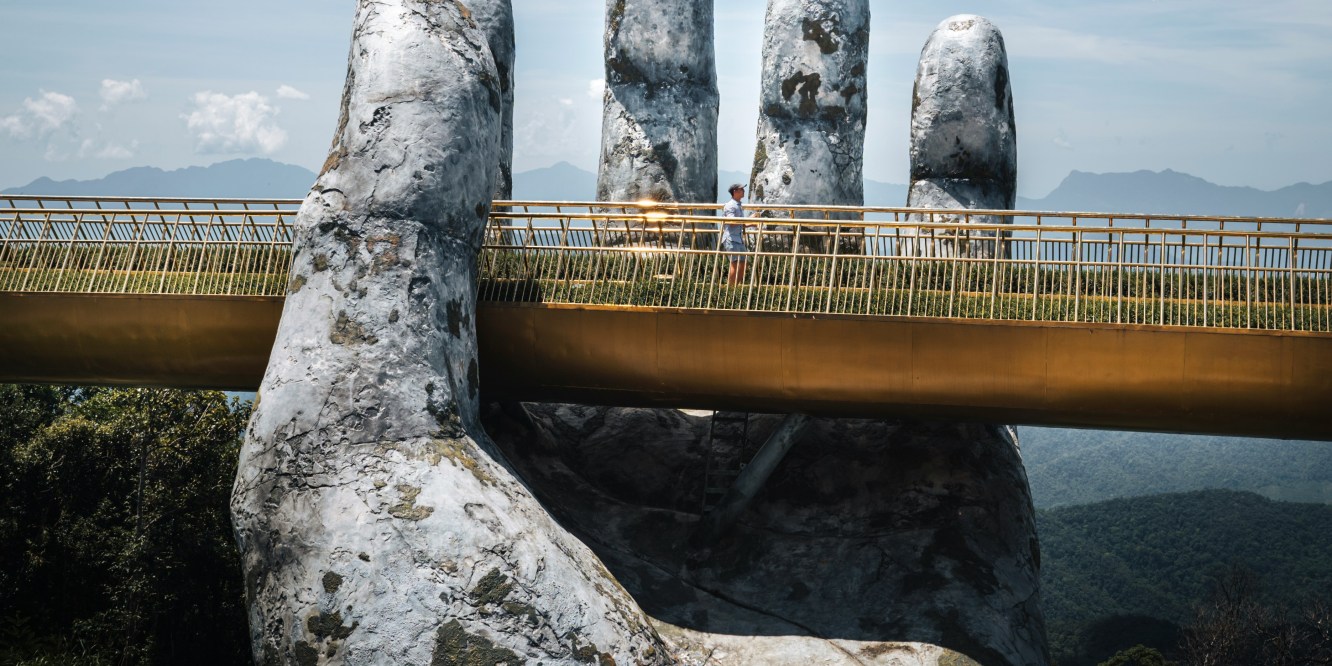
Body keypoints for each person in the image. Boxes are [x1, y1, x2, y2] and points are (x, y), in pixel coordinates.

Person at [721, 183, 752, 286]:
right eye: (741, 189)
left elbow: (740, 223)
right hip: (731, 239)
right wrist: (747, 220)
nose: (743, 191)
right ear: (735, 191)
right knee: (734, 264)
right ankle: (730, 289)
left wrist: (752, 222)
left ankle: (735, 287)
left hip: (738, 239)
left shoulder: (738, 205)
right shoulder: (730, 205)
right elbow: (732, 222)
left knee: (743, 263)